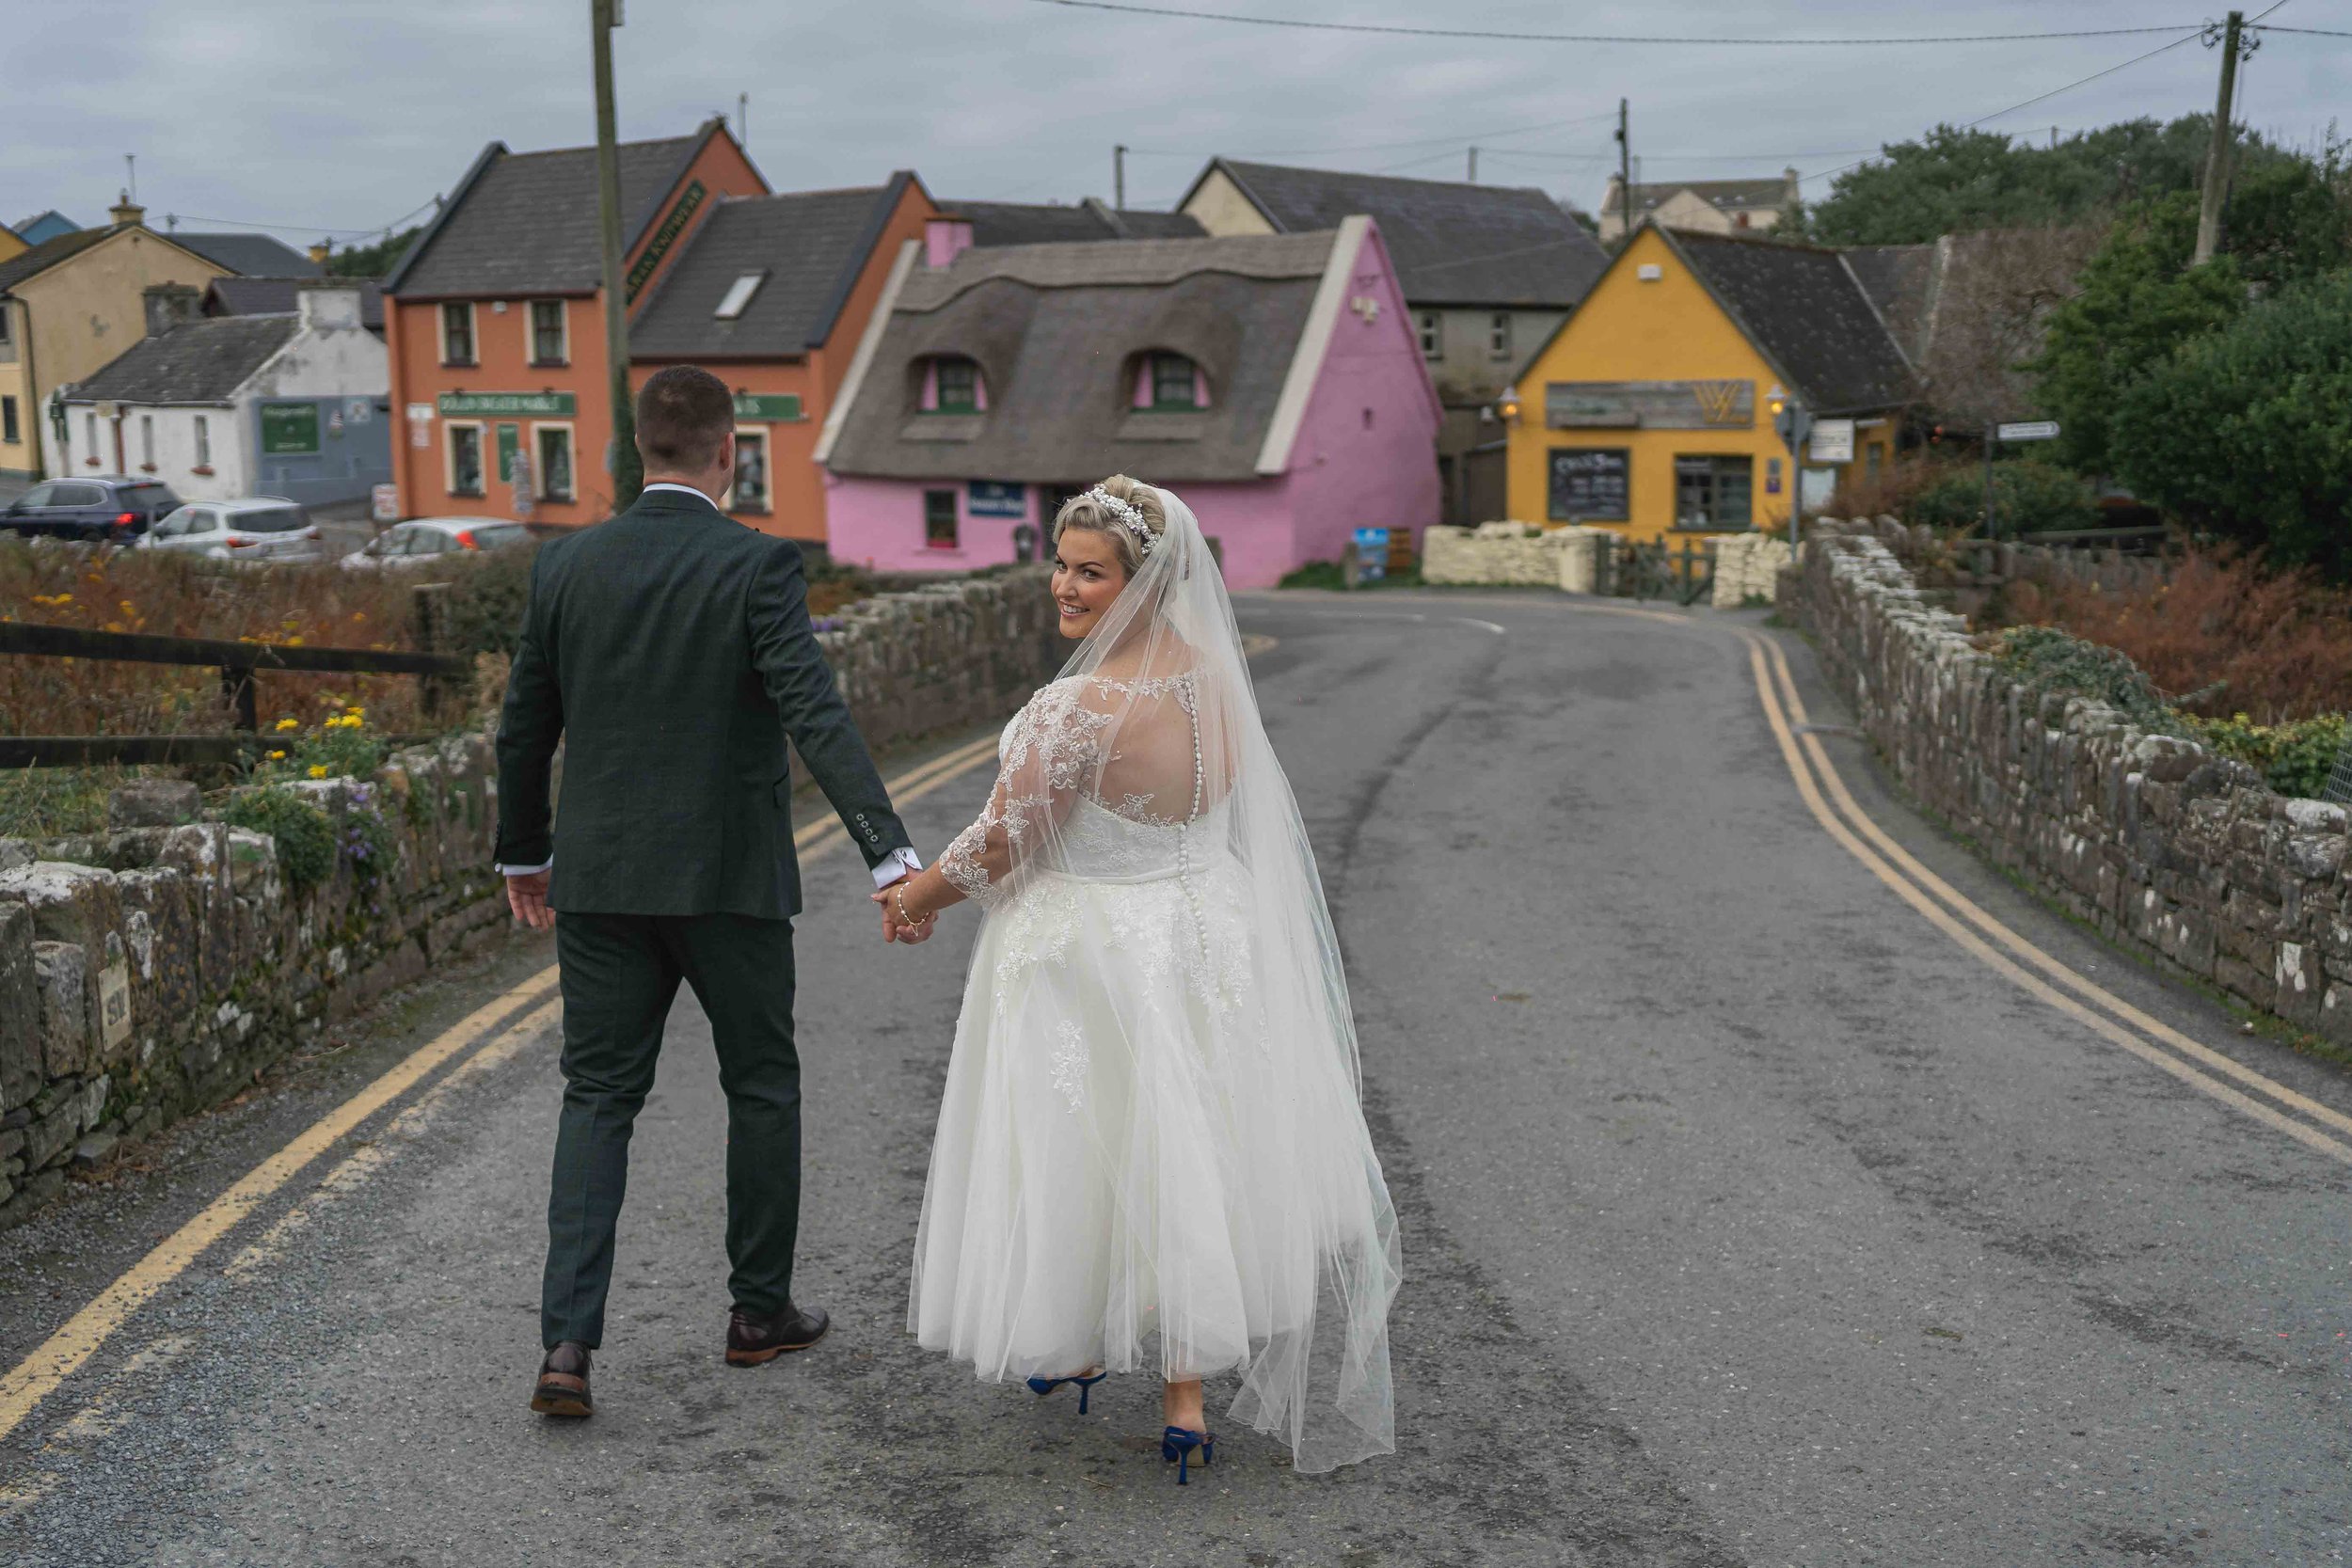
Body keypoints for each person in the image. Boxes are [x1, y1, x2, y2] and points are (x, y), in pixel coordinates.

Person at [874, 476, 1402, 1481]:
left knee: (1088, 1144)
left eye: (1090, 570)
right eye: (1061, 563)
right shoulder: (1212, 680)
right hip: (1208, 932)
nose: (1063, 585)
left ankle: (1076, 1339)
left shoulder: (1078, 705)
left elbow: (1003, 843)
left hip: (1094, 950)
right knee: (1192, 1141)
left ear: (1144, 581)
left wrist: (914, 899)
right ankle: (1185, 1388)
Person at [494, 365, 927, 1419]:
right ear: (729, 451)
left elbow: (523, 723)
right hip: (729, 881)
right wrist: (887, 850)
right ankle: (755, 1313)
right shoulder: (758, 564)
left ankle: (567, 1344)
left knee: (597, 1097)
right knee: (761, 1083)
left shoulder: (565, 566)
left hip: (598, 880)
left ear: (637, 449)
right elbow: (812, 711)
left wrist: (523, 853)